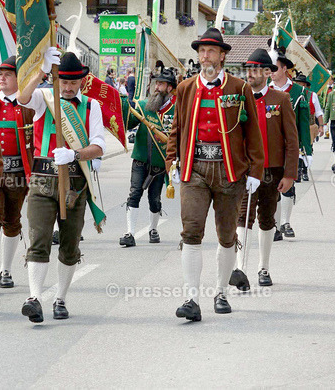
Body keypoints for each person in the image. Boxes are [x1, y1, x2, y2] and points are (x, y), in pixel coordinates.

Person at [164, 28, 264, 322]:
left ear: (222, 55)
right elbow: (176, 129)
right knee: (191, 231)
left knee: (226, 236)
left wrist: (256, 170)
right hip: (194, 168)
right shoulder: (185, 88)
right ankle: (191, 299)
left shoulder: (239, 88)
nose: (204, 56)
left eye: (210, 51)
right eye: (201, 51)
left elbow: (253, 133)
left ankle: (220, 292)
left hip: (229, 170)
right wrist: (173, 161)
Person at [17, 50, 107, 323]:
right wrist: (42, 72)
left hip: (75, 185)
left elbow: (99, 145)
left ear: (81, 81)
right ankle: (34, 298)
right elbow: (21, 98)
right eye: (62, 81)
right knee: (39, 238)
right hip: (43, 181)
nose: (67, 87)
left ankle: (61, 299)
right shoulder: (44, 98)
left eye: (72, 82)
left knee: (69, 245)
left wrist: (76, 155)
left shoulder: (91, 106)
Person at [231, 49, 296, 289]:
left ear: (267, 72)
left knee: (267, 219)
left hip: (271, 172)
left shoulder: (281, 100)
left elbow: (291, 139)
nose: (251, 73)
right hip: (245, 171)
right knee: (241, 218)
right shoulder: (236, 98)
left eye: (256, 69)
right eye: (248, 69)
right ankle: (239, 268)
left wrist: (290, 174)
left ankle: (263, 267)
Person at [0, 56, 34, 289]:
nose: (2, 77)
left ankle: (6, 270)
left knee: (12, 221)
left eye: (8, 74)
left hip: (19, 172)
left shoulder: (29, 105)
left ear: (18, 79)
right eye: (0, 73)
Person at [120, 68, 176, 248]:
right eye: (155, 84)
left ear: (169, 88)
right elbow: (128, 123)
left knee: (155, 200)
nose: (156, 87)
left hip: (160, 163)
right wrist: (123, 106)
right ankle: (130, 233)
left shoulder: (176, 110)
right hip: (140, 159)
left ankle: (153, 229)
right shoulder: (143, 106)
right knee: (134, 193)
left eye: (160, 84)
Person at [271, 59, 322, 239]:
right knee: (271, 188)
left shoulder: (300, 92)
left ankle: (285, 222)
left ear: (285, 69)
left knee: (288, 186)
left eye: (275, 68)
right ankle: (274, 226)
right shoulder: (264, 90)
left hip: (291, 147)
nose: (271, 72)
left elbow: (303, 124)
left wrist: (307, 150)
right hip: (269, 149)